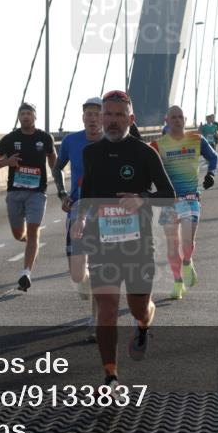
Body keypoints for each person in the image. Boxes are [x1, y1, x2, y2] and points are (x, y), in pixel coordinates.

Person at [71, 90, 176, 388]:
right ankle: (111, 376)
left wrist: (142, 198)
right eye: (108, 114)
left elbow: (168, 195)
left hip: (138, 245)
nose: (113, 121)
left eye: (119, 115)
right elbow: (88, 191)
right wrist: (81, 218)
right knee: (106, 309)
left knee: (138, 308)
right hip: (102, 242)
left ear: (131, 119)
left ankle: (143, 325)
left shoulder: (145, 153)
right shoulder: (91, 153)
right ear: (101, 117)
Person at [150, 106, 218, 299]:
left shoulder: (197, 140)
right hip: (169, 200)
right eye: (173, 117)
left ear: (185, 120)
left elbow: (213, 157)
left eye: (180, 117)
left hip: (190, 198)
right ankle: (178, 282)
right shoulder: (157, 145)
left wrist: (211, 174)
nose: (177, 120)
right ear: (167, 121)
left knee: (187, 243)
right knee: (172, 247)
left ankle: (187, 262)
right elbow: (145, 166)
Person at [0, 102, 56, 292]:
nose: (26, 116)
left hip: (37, 192)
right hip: (15, 192)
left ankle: (26, 273)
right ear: (19, 117)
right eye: (22, 114)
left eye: (29, 113)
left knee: (33, 231)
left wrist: (56, 173)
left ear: (35, 117)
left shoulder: (44, 138)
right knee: (19, 234)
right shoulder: (10, 139)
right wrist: (7, 162)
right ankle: (31, 243)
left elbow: (52, 157)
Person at [52, 97, 104, 337]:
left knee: (99, 266)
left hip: (104, 209)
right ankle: (87, 283)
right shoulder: (71, 141)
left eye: (97, 114)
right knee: (77, 274)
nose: (92, 118)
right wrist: (62, 193)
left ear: (103, 117)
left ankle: (95, 320)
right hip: (77, 207)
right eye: (88, 114)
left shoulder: (112, 142)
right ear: (83, 117)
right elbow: (57, 167)